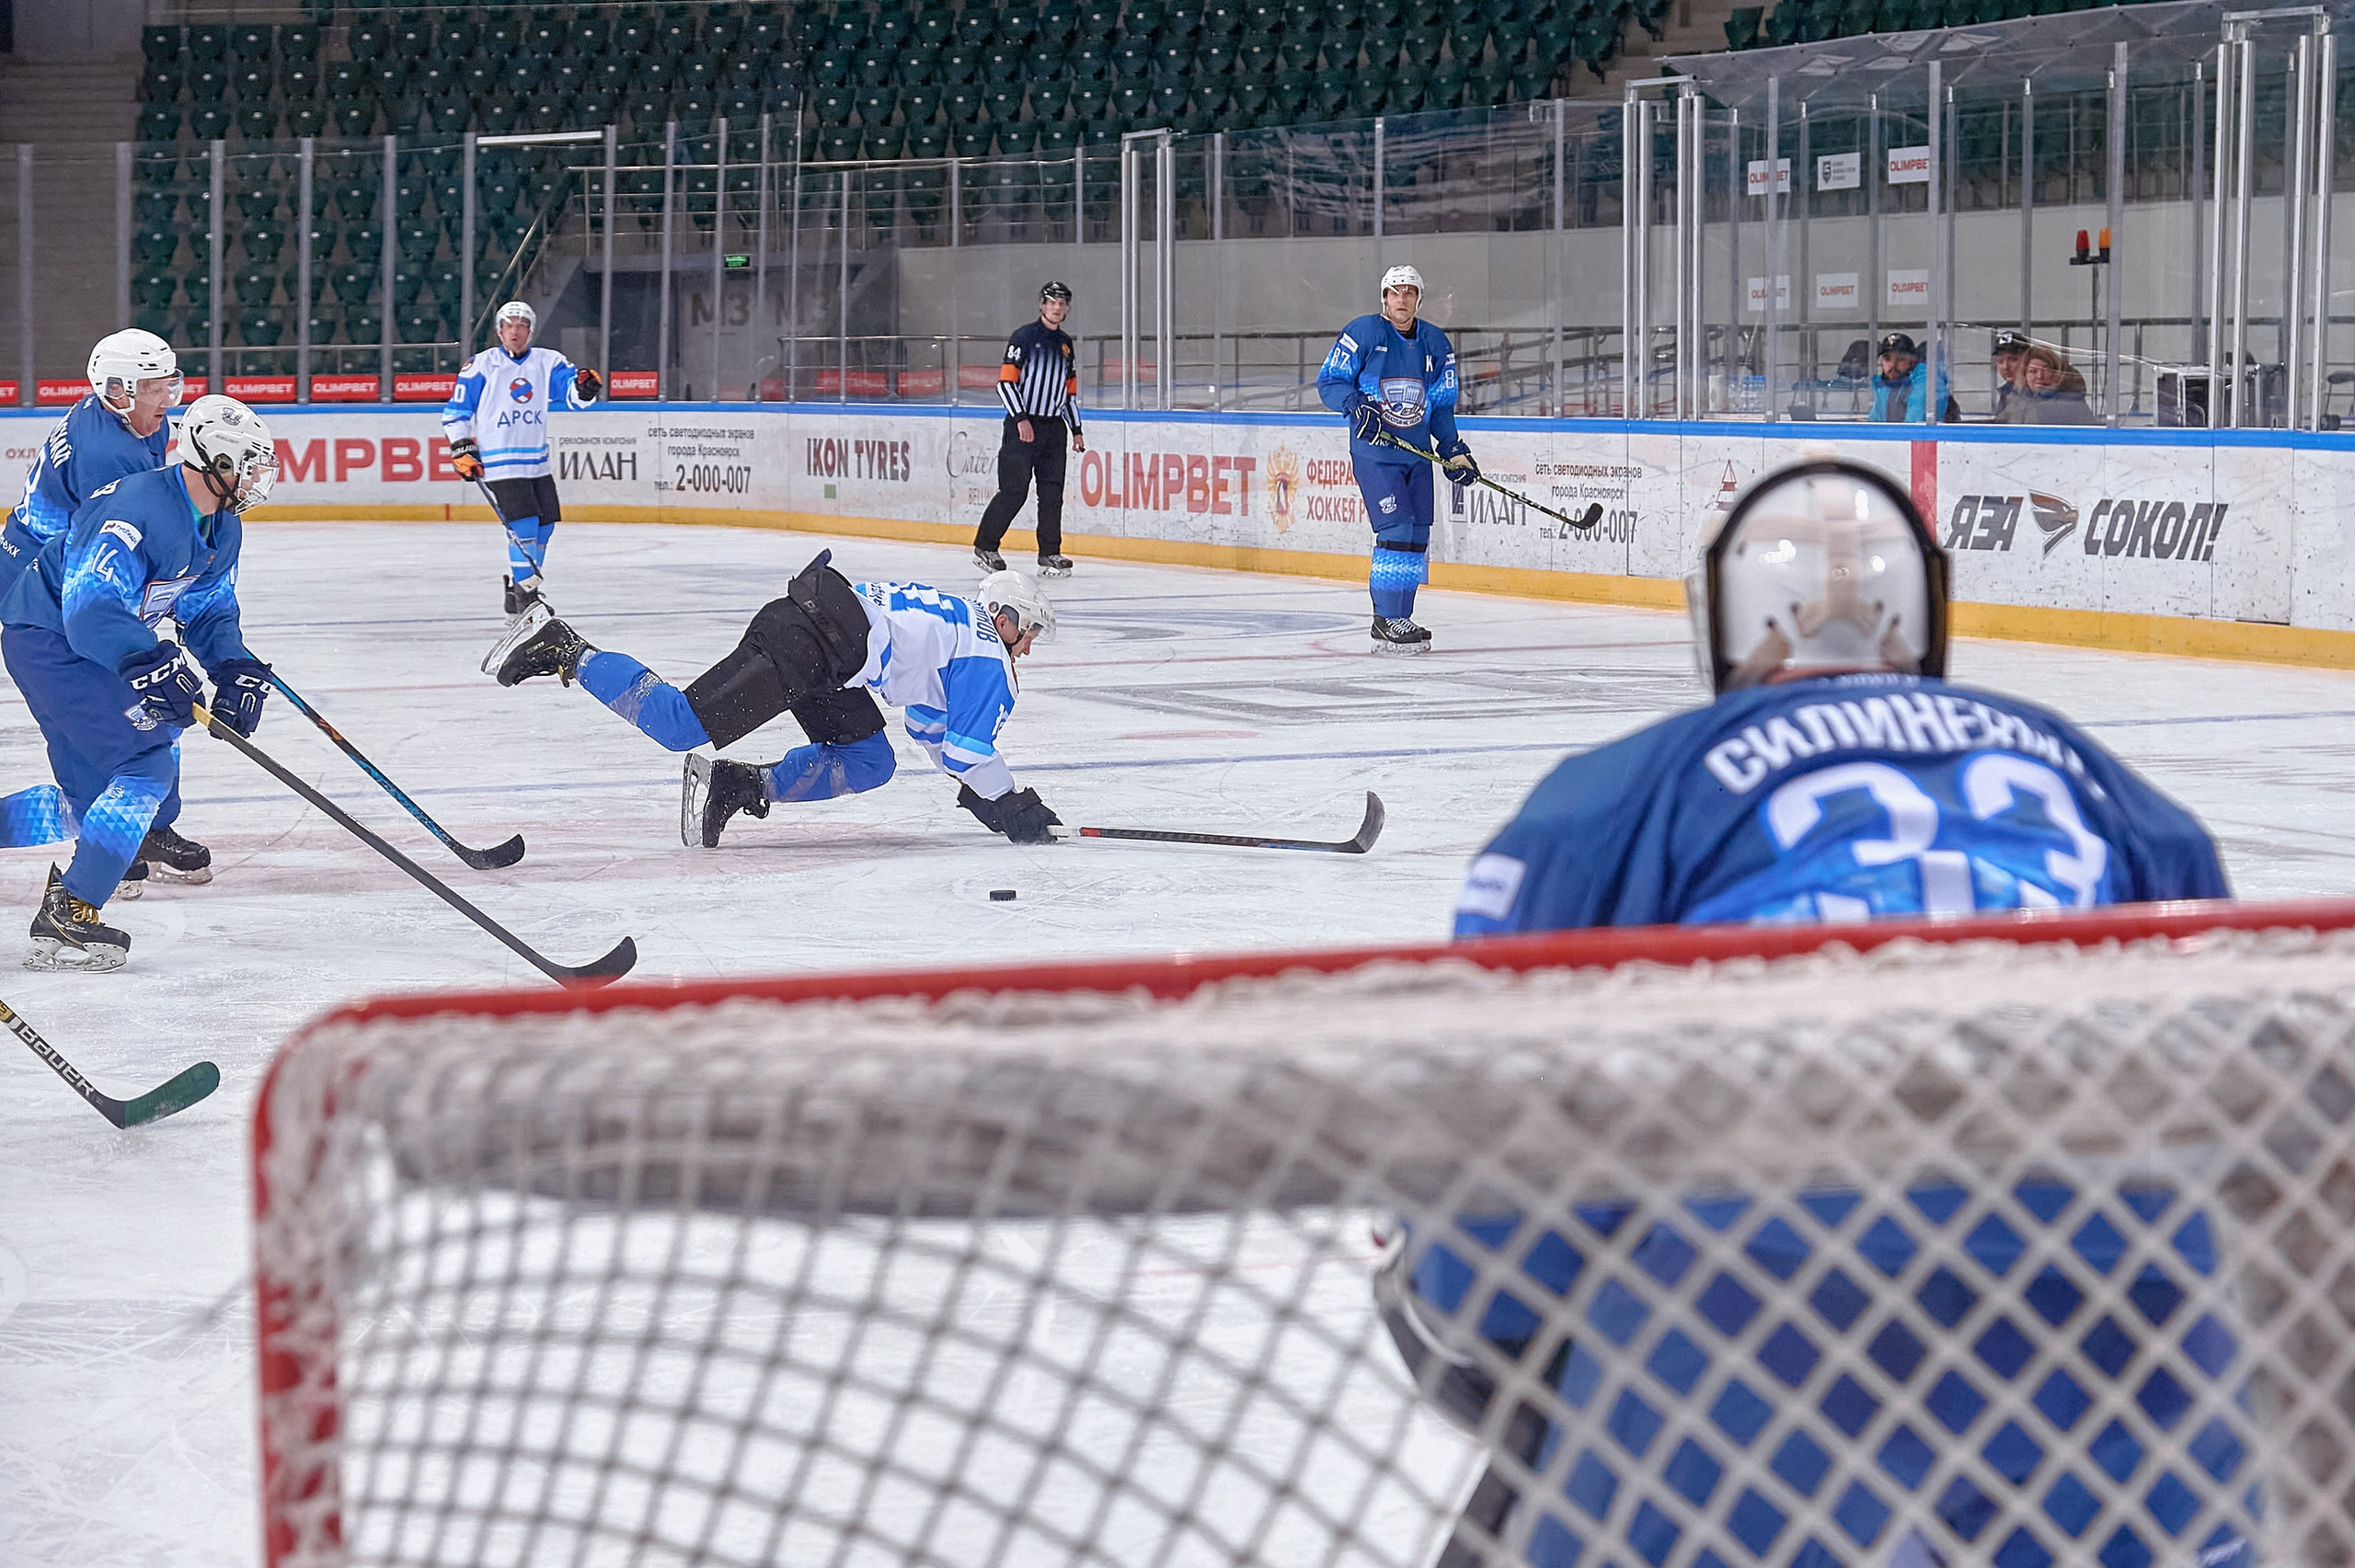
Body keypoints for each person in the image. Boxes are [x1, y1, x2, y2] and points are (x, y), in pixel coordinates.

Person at [1452, 458, 2225, 937]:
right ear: (1923, 612)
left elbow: (1494, 1023)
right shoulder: (2072, 756)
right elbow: (2207, 930)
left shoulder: (1629, 785)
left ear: (1729, 615)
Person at [487, 552, 1062, 850]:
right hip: (809, 642)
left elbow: (933, 735)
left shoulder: (963, 627)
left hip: (831, 657)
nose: (1027, 651)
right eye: (1030, 635)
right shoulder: (989, 653)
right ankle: (566, 649)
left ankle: (735, 784)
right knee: (678, 723)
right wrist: (1007, 799)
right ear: (1008, 618)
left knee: (871, 761)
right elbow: (964, 750)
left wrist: (986, 798)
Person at [0, 395, 279, 971]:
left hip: (87, 648)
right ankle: (70, 911)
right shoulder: (134, 509)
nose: (257, 477)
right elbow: (90, 611)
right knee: (146, 768)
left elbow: (206, 612)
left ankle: (77, 885)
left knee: (98, 805)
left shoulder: (221, 527)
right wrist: (147, 660)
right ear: (214, 462)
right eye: (247, 464)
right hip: (53, 642)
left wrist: (232, 668)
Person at [0, 329, 191, 882]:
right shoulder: (108, 451)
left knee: (136, 708)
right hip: (43, 589)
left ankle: (141, 826)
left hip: (55, 573)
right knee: (106, 711)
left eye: (168, 383)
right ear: (117, 390)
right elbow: (124, 536)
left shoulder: (130, 423)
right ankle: (116, 831)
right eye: (154, 387)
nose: (167, 398)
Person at [1315, 264, 1478, 653]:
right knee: (1396, 529)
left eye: (1408, 292)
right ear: (1384, 298)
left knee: (1418, 533)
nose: (1401, 298)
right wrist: (1354, 404)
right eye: (1394, 292)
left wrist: (1453, 448)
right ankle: (1385, 617)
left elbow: (1440, 406)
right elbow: (1330, 381)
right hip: (1377, 454)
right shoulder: (1364, 332)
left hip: (1417, 454)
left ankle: (1399, 617)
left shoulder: (1437, 344)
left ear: (1418, 299)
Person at [442, 300, 603, 617]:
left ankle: (519, 588)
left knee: (545, 525)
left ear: (530, 330)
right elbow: (456, 412)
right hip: (500, 463)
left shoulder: (548, 361)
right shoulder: (481, 365)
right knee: (524, 524)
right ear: (500, 330)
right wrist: (461, 446)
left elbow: (572, 396)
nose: (515, 331)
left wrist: (584, 390)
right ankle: (525, 594)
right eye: (509, 325)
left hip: (536, 462)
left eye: (522, 325)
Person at [973, 280, 1086, 579]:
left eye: (1062, 303)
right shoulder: (1024, 337)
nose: (1057, 307)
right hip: (1023, 426)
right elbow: (1006, 382)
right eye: (1052, 302)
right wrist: (1021, 418)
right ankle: (986, 546)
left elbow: (1068, 393)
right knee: (1014, 491)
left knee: (1052, 493)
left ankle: (1050, 553)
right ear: (1042, 305)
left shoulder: (1065, 345)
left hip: (1053, 429)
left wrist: (1076, 430)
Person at [1867, 331, 1960, 423]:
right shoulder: (1884, 385)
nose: (1892, 365)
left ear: (1912, 361)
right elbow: (1873, 423)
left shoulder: (1923, 382)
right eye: (1887, 359)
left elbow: (1914, 426)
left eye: (1901, 359)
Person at [1995, 343, 2097, 426]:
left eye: (2046, 370)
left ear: (2057, 373)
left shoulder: (2072, 402)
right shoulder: (2015, 400)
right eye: (2033, 371)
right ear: (2024, 376)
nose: (2040, 376)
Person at [1989, 329, 2029, 419]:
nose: (2005, 367)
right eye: (2000, 361)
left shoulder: (2038, 392)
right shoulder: (2007, 392)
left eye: (2013, 359)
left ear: (2027, 360)